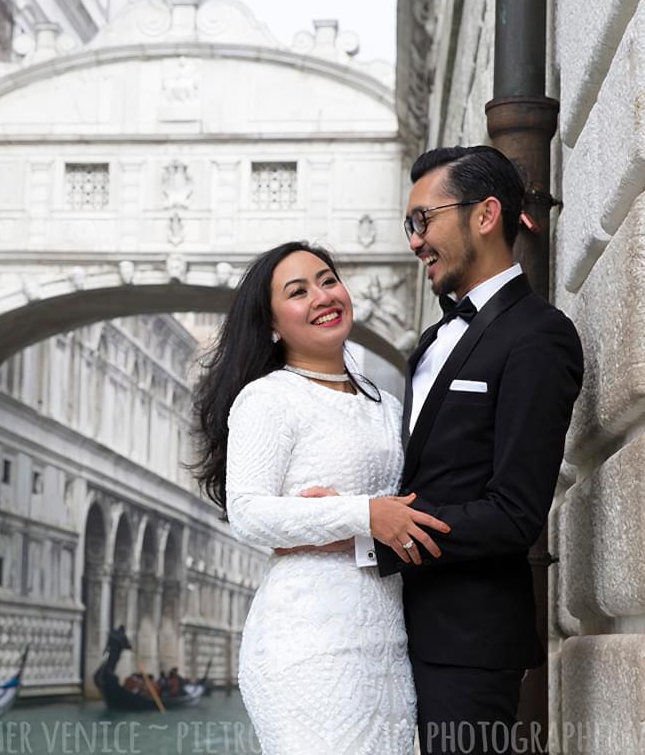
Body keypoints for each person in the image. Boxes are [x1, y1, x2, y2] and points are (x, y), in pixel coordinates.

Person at [192, 241, 451, 754]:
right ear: (271, 324)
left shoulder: (385, 405)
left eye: (327, 280)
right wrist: (360, 512)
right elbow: (248, 512)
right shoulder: (269, 397)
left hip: (387, 640)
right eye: (298, 291)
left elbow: (403, 514)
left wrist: (352, 521)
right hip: (307, 644)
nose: (322, 296)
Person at [375, 146, 583, 754]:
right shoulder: (434, 339)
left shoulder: (540, 336)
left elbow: (516, 511)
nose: (415, 242)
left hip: (469, 648)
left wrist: (384, 531)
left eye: (423, 220)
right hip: (392, 632)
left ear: (486, 214)